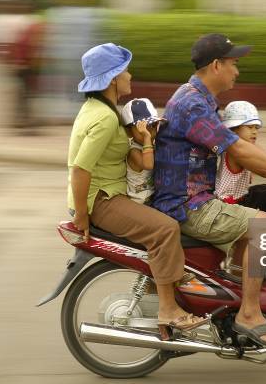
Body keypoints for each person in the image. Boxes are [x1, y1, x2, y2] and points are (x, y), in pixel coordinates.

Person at [153, 33, 266, 347]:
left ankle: (241, 288)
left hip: (196, 197)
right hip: (187, 204)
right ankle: (249, 313)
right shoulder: (192, 104)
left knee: (264, 203)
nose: (237, 71)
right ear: (216, 65)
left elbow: (241, 148)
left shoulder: (201, 99)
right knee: (264, 224)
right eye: (233, 64)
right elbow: (239, 151)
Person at [68, 43, 206, 333]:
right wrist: (82, 213)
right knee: (165, 228)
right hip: (102, 200)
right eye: (125, 70)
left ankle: (164, 293)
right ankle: (168, 311)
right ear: (112, 79)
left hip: (104, 195)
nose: (130, 75)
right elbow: (80, 169)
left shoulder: (99, 108)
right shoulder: (105, 118)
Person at [216, 100, 266, 231]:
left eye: (256, 128)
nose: (254, 132)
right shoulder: (235, 152)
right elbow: (264, 169)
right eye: (249, 127)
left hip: (241, 198)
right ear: (234, 130)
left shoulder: (248, 147)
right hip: (229, 207)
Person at [119, 98, 164, 204]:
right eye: (142, 129)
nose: (149, 131)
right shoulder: (134, 152)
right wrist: (147, 137)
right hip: (138, 202)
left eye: (152, 125)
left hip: (151, 199)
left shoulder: (149, 146)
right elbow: (148, 164)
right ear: (129, 132)